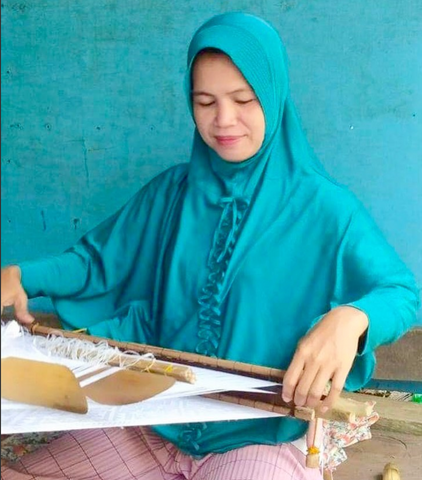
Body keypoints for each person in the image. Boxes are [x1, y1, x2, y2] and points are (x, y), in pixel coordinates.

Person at [1, 12, 419, 480]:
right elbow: (96, 262)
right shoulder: (170, 194)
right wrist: (21, 276)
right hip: (150, 424)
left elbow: (403, 293)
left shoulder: (326, 209)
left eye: (244, 99)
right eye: (205, 102)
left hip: (256, 437)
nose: (223, 120)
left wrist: (352, 320)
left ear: (274, 97)